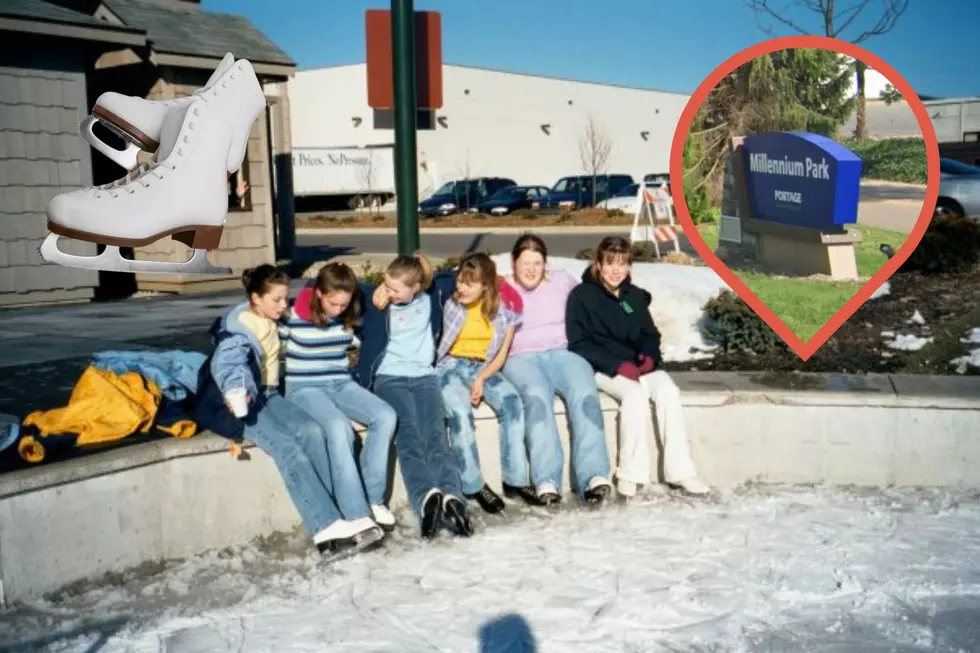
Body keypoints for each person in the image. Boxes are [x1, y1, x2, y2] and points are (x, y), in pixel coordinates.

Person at [193, 264, 386, 558]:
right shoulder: (238, 329)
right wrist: (236, 390)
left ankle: (346, 515)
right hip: (239, 403)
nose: (285, 305)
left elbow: (331, 297)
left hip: (269, 394)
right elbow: (229, 362)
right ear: (255, 298)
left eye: (286, 298)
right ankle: (324, 525)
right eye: (278, 300)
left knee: (313, 430)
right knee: (288, 448)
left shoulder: (271, 317)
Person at [565, 236, 710, 498]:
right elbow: (579, 342)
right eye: (610, 263)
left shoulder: (634, 296)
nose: (616, 270)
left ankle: (681, 472)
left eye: (622, 264)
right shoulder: (582, 296)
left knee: (668, 392)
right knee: (634, 397)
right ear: (598, 264)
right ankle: (630, 474)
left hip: (639, 365)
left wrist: (649, 356)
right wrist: (617, 365)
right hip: (604, 367)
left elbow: (649, 334)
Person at [356, 252, 475, 539]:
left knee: (436, 437)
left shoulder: (431, 298)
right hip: (389, 379)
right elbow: (347, 285)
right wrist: (379, 290)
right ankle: (426, 497)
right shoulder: (379, 304)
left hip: (425, 378)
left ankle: (452, 497)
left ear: (417, 286)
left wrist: (422, 261)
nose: (391, 292)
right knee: (408, 437)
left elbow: (452, 275)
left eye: (397, 289)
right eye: (387, 285)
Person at [280, 262, 399, 532]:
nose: (338, 310)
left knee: (385, 415)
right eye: (333, 303)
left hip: (341, 383)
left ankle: (373, 498)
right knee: (336, 426)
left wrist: (379, 288)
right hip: (304, 386)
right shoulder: (291, 314)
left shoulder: (351, 310)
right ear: (318, 293)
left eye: (344, 304)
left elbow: (369, 296)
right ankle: (355, 512)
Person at [500, 234, 613, 506]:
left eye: (537, 263)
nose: (531, 269)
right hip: (521, 356)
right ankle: (546, 479)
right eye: (525, 262)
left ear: (545, 264)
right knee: (537, 396)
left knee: (584, 392)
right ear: (514, 262)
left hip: (563, 353)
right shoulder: (502, 287)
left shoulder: (562, 280)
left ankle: (594, 475)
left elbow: (592, 296)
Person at [436, 252, 537, 514]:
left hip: (482, 367)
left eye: (470, 283)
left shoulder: (505, 313)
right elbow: (432, 278)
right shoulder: (453, 306)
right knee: (459, 412)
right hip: (449, 365)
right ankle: (473, 484)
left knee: (512, 403)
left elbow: (501, 355)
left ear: (486, 286)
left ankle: (515, 479)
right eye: (460, 281)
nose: (461, 288)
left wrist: (481, 378)